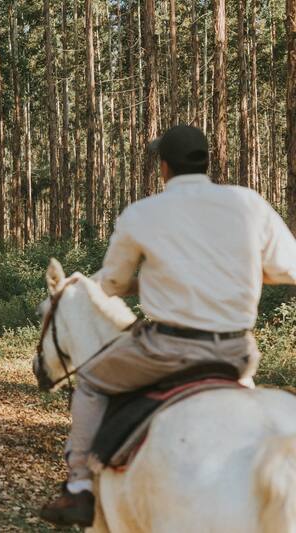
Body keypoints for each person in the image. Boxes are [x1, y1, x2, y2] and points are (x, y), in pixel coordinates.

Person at [40, 125, 296, 527]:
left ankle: (79, 487)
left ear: (163, 167)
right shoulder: (249, 203)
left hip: (166, 348)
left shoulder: (143, 213)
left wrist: (145, 281)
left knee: (90, 380)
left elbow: (111, 283)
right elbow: (287, 269)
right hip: (237, 353)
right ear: (206, 161)